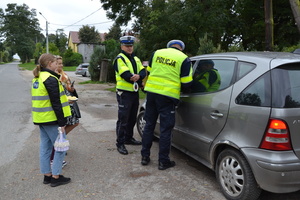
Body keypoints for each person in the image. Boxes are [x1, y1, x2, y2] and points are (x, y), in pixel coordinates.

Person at [141, 40, 193, 170]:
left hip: (152, 93)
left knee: (149, 125)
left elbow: (150, 71)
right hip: (167, 97)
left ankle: (145, 157)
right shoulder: (184, 59)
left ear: (169, 47)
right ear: (181, 48)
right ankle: (163, 161)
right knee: (165, 129)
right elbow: (186, 83)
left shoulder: (156, 53)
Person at [32, 53, 71, 187]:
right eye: (55, 63)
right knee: (60, 147)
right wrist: (61, 122)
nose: (57, 65)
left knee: (45, 148)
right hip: (51, 119)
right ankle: (56, 176)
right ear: (50, 63)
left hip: (41, 118)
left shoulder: (38, 78)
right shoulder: (50, 79)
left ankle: (47, 176)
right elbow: (56, 102)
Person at [113, 36, 146, 155]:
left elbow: (143, 71)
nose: (129, 48)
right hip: (124, 93)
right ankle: (120, 143)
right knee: (123, 119)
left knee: (132, 117)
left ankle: (128, 138)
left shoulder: (136, 58)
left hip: (134, 93)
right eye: (127, 46)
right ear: (122, 46)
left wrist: (139, 76)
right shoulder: (119, 59)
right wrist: (138, 78)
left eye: (131, 46)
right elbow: (126, 75)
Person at [48, 55, 80, 168]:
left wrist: (72, 90)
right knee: (59, 130)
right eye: (58, 63)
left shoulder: (63, 74)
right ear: (52, 64)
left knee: (72, 124)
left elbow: (67, 89)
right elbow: (55, 95)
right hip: (62, 106)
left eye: (61, 63)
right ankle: (56, 153)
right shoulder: (53, 76)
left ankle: (60, 144)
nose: (60, 65)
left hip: (68, 104)